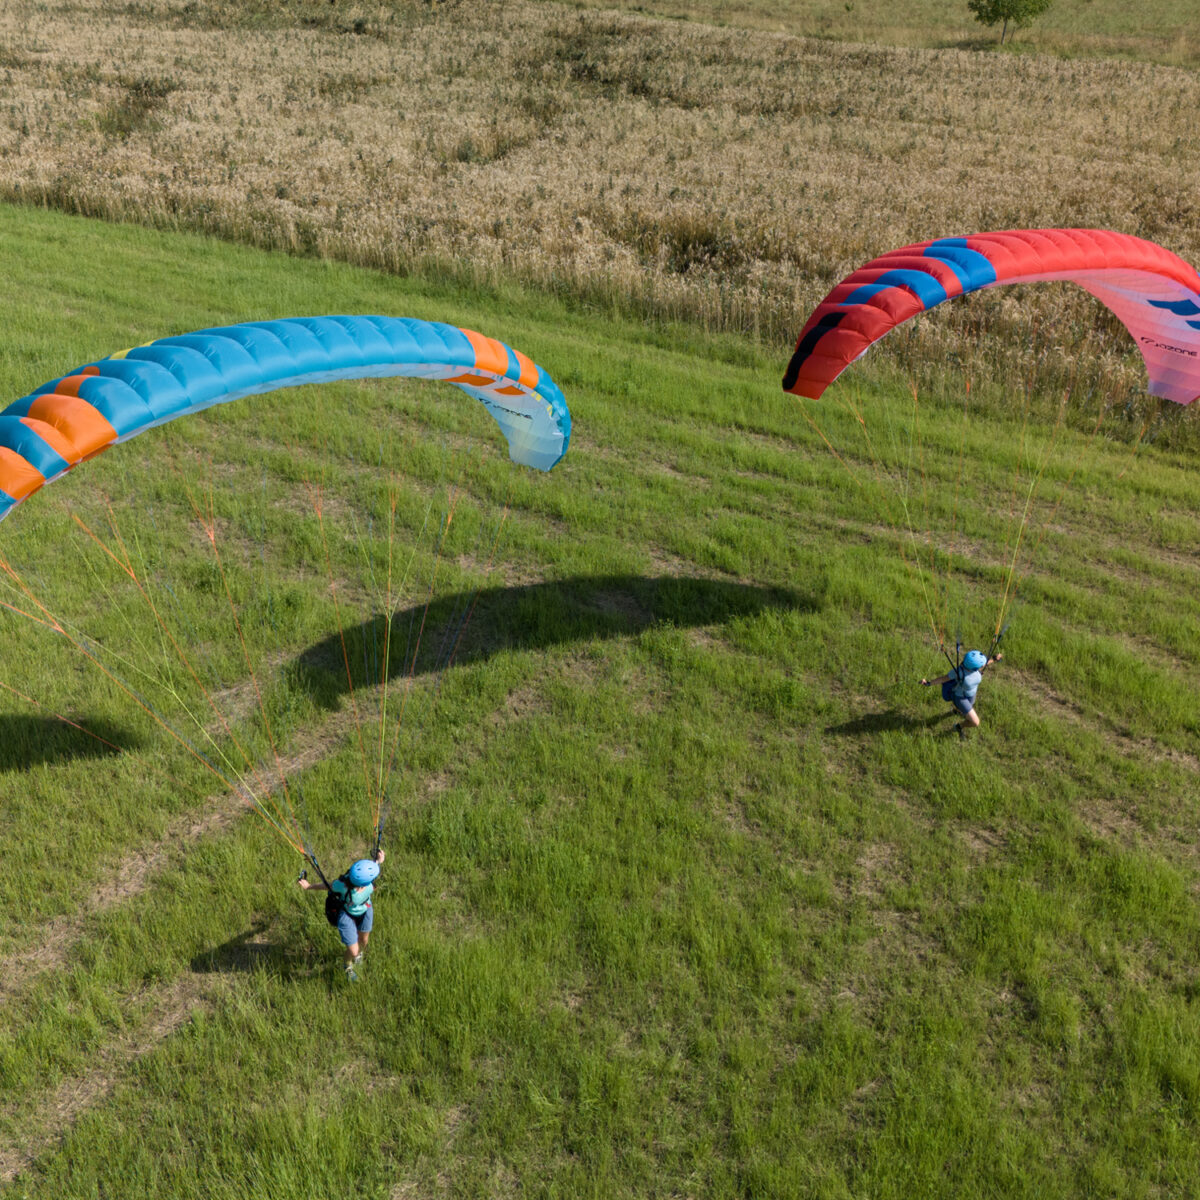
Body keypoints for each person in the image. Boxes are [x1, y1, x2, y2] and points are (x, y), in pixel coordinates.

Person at [298, 849, 385, 981]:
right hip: (347, 916)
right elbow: (326, 886)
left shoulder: (368, 877)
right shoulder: (343, 886)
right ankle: (347, 966)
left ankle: (357, 956)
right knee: (354, 951)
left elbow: (373, 868)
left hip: (366, 910)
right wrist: (309, 886)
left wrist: (378, 860)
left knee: (364, 941)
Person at [921, 648, 1002, 738]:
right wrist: (928, 683)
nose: (983, 665)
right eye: (980, 665)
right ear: (975, 667)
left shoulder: (973, 668)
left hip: (971, 694)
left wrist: (994, 659)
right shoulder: (958, 672)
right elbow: (942, 679)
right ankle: (959, 727)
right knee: (975, 722)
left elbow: (984, 663)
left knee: (963, 709)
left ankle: (956, 710)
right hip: (960, 697)